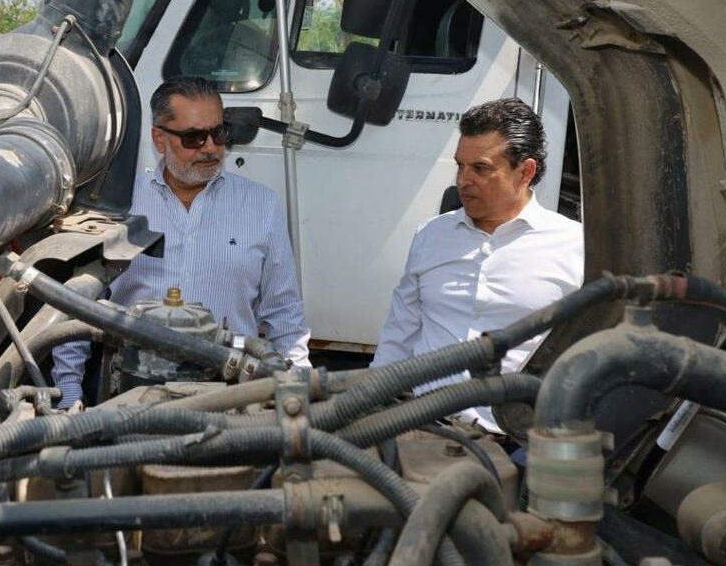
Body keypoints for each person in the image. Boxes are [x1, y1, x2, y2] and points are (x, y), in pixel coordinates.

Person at [52, 75, 311, 408]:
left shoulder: (261, 206)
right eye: (193, 137)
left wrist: (298, 392)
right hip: (131, 394)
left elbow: (284, 315)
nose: (210, 148)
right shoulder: (119, 205)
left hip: (231, 398)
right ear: (159, 139)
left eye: (219, 133)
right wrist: (69, 392)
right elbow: (78, 308)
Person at [371, 97, 583, 431]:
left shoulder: (575, 247)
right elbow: (399, 334)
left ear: (525, 172)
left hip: (518, 441)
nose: (463, 181)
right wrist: (370, 408)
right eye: (460, 166)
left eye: (480, 169)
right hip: (425, 433)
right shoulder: (431, 236)